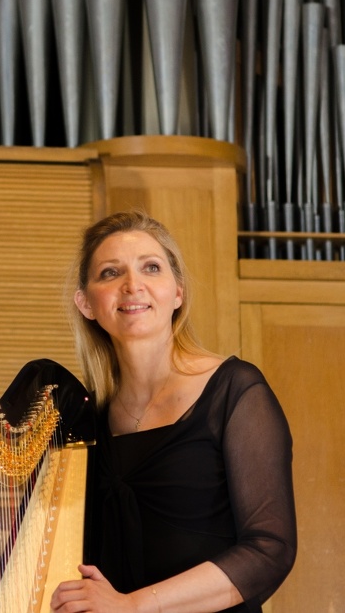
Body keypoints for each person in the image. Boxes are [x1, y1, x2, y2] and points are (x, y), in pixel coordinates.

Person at [50, 211, 296, 613]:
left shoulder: (234, 390)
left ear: (177, 292)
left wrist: (131, 606)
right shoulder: (82, 424)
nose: (133, 285)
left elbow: (269, 550)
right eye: (110, 273)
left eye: (151, 267)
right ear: (87, 303)